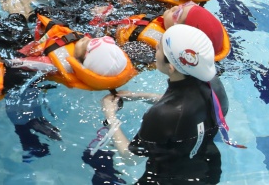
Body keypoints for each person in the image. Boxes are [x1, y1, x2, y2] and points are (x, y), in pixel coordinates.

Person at [100, 24, 239, 183]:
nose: (156, 45)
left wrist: (109, 114)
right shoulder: (214, 84)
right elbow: (188, 107)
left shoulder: (161, 115)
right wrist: (138, 96)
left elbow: (130, 158)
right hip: (208, 171)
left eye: (160, 48)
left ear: (171, 68)